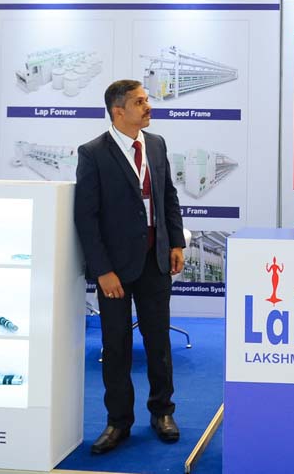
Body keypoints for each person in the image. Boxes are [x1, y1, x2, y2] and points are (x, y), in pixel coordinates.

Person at [75, 79, 186, 455]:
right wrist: (102, 270)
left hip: (156, 261)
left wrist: (175, 243)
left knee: (159, 344)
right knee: (116, 346)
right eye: (140, 102)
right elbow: (86, 217)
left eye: (147, 100)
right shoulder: (93, 153)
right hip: (115, 272)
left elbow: (168, 196)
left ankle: (162, 412)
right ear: (118, 110)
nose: (148, 106)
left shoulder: (156, 144)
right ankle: (118, 422)